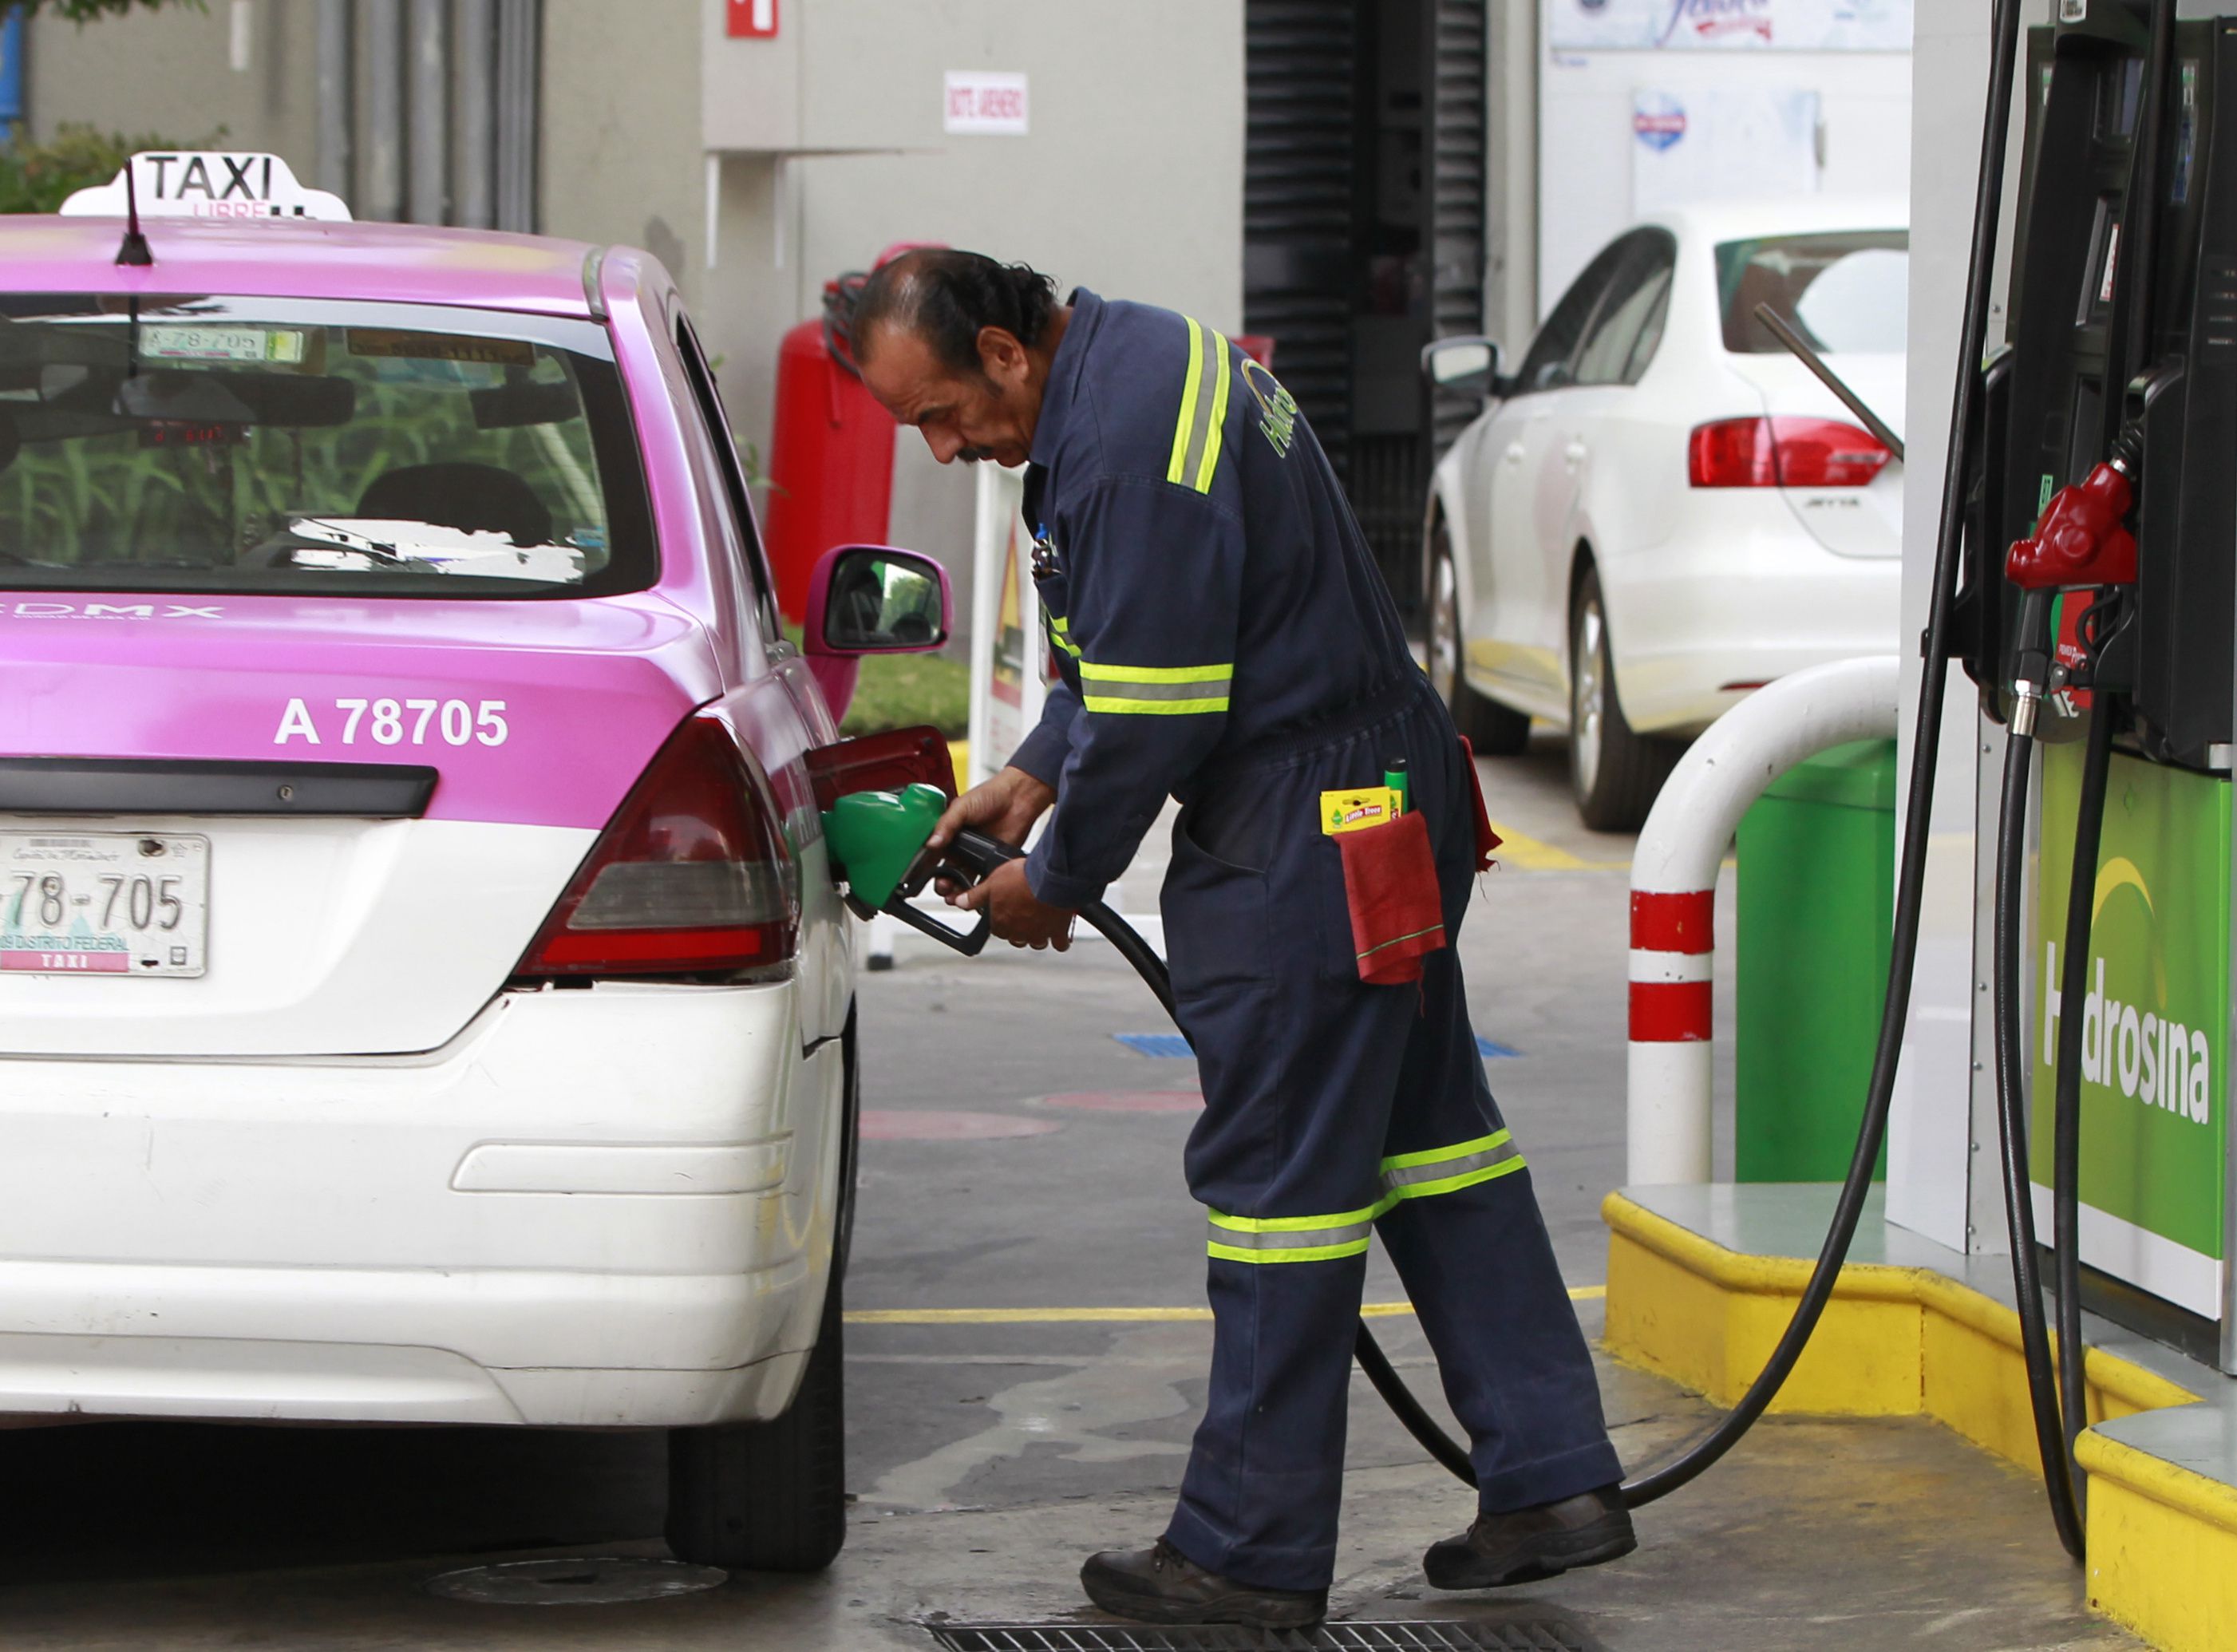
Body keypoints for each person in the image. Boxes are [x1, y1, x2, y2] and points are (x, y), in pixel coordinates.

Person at [850, 249, 1631, 1630]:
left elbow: (1158, 704)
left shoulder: (1122, 437)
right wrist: (1031, 773)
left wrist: (1059, 873)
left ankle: (1249, 1552)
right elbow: (1133, 642)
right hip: (1381, 792)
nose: (943, 446)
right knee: (1432, 1135)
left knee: (1280, 1188)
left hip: (1307, 822)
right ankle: (1551, 1472)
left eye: (941, 413)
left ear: (1003, 351)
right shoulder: (1136, 359)